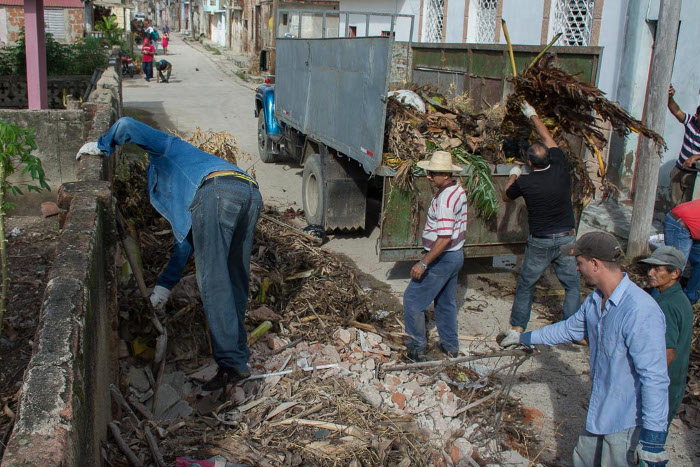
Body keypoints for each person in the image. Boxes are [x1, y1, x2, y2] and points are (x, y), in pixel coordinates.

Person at [76, 117, 262, 391]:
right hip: (248, 192)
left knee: (213, 283)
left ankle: (230, 366)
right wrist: (164, 286)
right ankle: (239, 358)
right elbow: (187, 240)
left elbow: (126, 125)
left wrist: (102, 146)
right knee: (235, 280)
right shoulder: (190, 169)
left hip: (216, 193)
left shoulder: (167, 147)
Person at [497, 232, 670, 467]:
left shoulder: (639, 311)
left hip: (627, 422)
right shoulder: (595, 301)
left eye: (580, 263)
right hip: (599, 411)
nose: (577, 269)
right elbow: (567, 330)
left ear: (595, 264)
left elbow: (654, 378)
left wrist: (653, 441)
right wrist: (523, 337)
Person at [503, 100, 580, 332]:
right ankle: (574, 331)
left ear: (528, 163)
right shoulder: (560, 167)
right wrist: (533, 115)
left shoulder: (526, 182)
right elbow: (548, 139)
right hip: (567, 239)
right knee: (573, 285)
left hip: (541, 242)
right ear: (549, 158)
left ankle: (517, 328)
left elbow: (507, 196)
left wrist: (514, 175)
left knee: (527, 284)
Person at [403, 151, 467, 361]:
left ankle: (417, 347)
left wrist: (423, 263)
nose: (428, 177)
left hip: (444, 257)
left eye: (432, 174)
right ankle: (450, 346)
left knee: (412, 300)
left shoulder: (446, 200)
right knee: (446, 301)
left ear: (445, 175)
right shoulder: (457, 190)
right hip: (455, 255)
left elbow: (444, 237)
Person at [639, 246, 693, 427]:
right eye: (650, 268)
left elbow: (667, 352)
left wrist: (649, 387)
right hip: (673, 383)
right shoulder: (680, 299)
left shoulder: (666, 305)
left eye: (658, 269)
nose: (651, 273)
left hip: (662, 387)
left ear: (675, 273)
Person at [667, 84, 700, 205]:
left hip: (693, 175)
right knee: (675, 205)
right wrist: (670, 97)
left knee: (687, 207)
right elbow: (676, 110)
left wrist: (695, 157)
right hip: (678, 170)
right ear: (697, 116)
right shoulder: (691, 121)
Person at [663, 199, 700, 303]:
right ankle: (658, 303)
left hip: (690, 225)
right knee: (674, 268)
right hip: (679, 224)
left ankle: (688, 300)